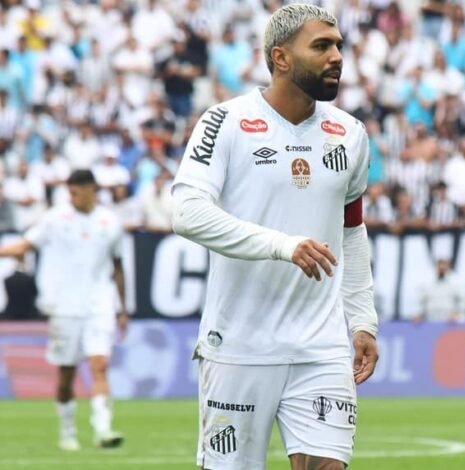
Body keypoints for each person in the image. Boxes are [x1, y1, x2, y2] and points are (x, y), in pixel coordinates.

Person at [170, 5, 379, 470]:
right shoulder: (223, 122)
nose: (337, 56)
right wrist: (283, 245)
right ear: (280, 58)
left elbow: (351, 230)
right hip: (241, 345)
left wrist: (363, 320)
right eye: (322, 46)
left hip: (321, 346)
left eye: (339, 46)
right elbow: (186, 213)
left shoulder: (350, 134)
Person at [0, 169, 127, 451]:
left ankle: (103, 430)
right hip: (64, 306)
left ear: (91, 189)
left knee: (99, 365)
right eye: (69, 192)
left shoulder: (110, 222)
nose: (72, 197)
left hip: (99, 303)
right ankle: (67, 430)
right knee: (66, 374)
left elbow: (118, 267)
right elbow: (24, 245)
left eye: (76, 192)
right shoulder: (55, 219)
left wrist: (123, 308)